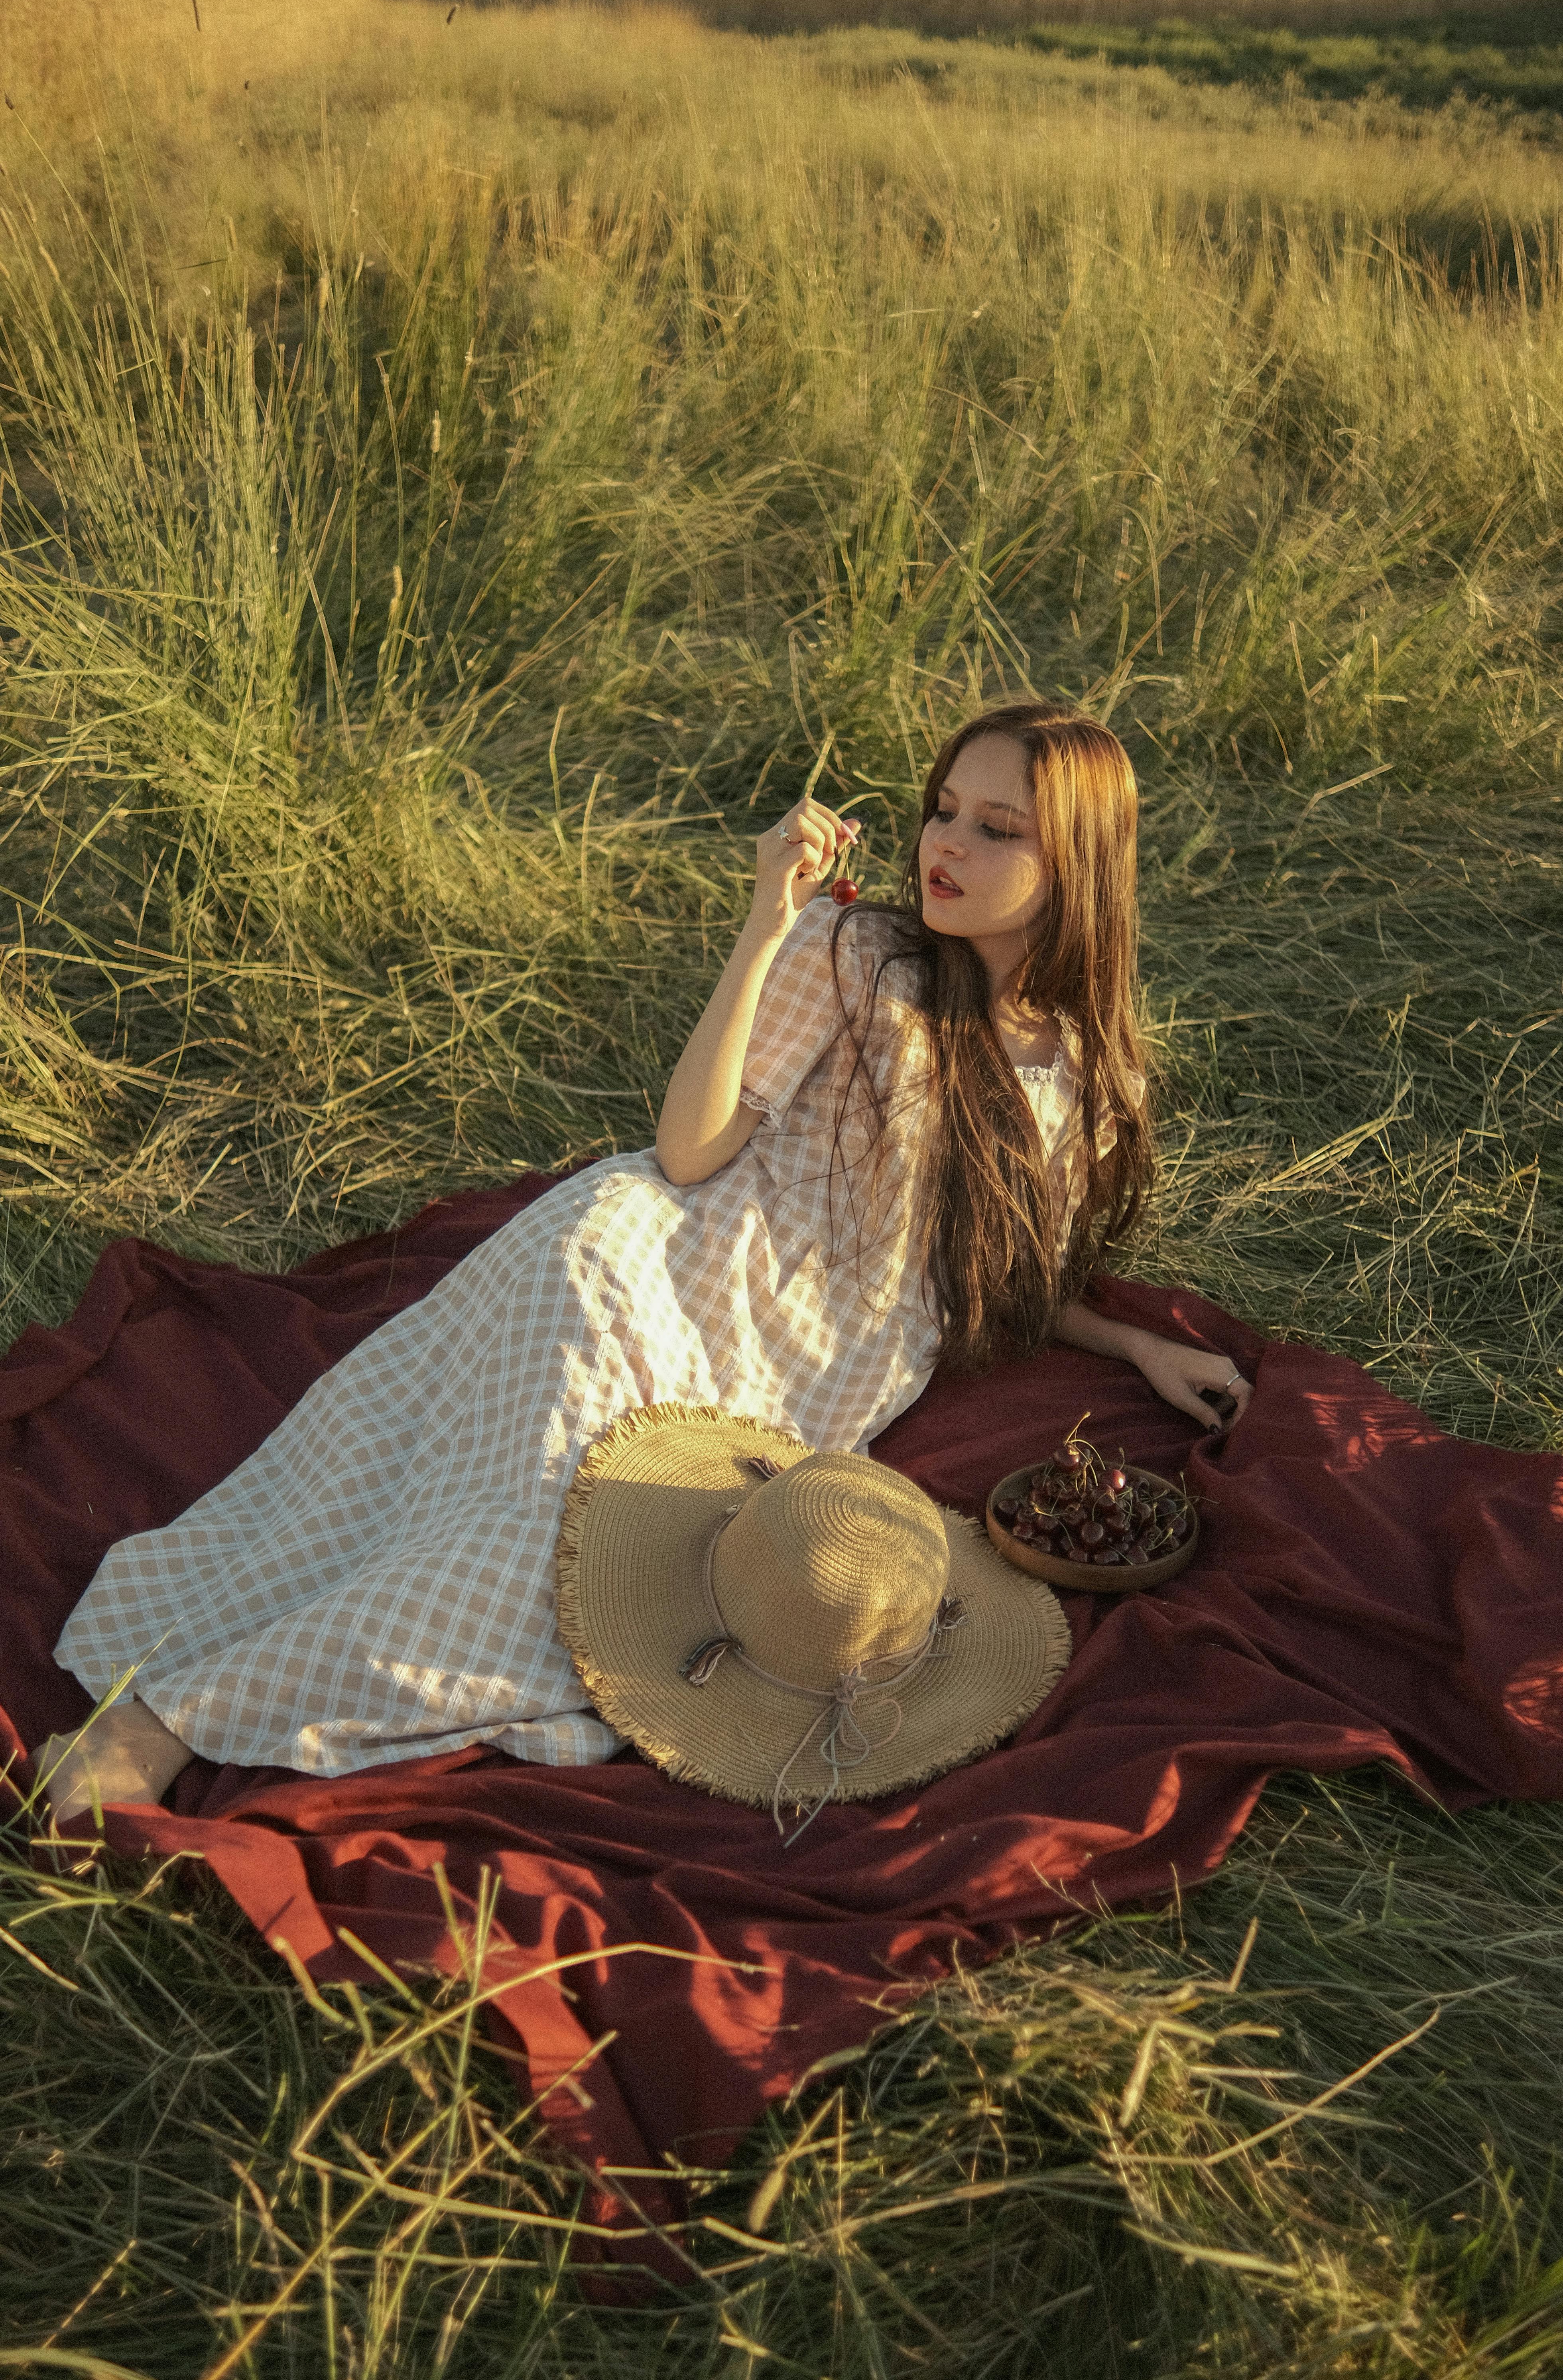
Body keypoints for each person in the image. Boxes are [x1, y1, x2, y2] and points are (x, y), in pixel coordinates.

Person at [34, 701, 1253, 1828]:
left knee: (576, 1575)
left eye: (998, 830)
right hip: (650, 1254)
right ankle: (163, 1718)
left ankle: (200, 1703)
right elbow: (688, 1151)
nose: (949, 845)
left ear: (1077, 863)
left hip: (812, 1364)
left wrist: (1139, 1342)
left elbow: (1006, 1277)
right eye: (944, 809)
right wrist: (767, 928)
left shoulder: (1089, 1078)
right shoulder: (858, 957)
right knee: (525, 1515)